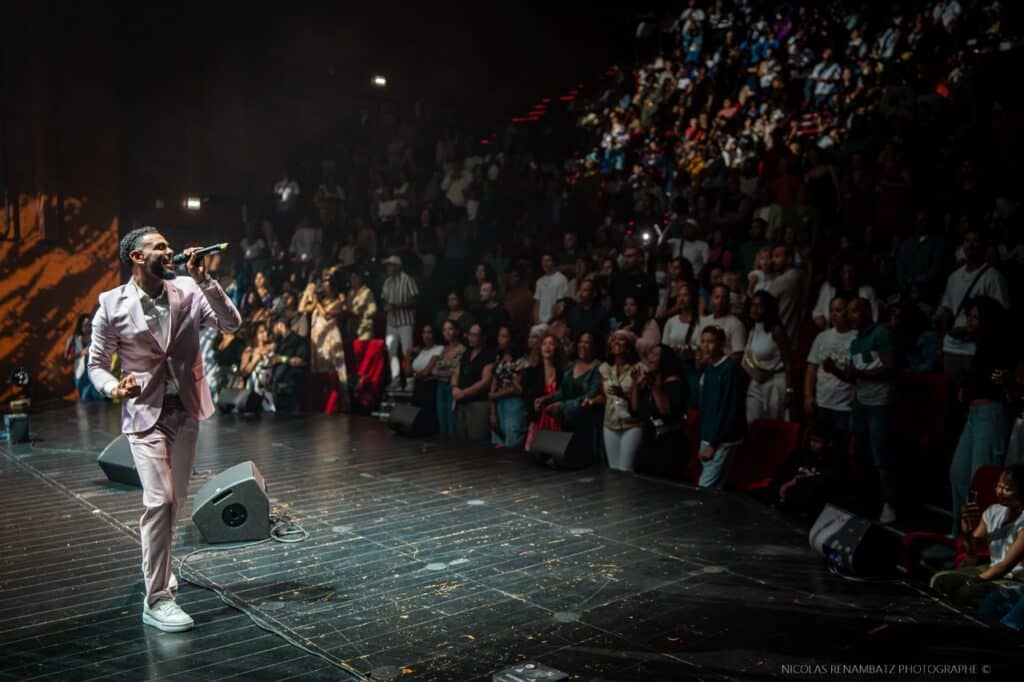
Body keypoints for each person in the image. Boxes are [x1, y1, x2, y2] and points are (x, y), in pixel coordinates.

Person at [87, 226, 242, 632]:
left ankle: (161, 568)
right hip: (144, 417)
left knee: (173, 504)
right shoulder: (111, 304)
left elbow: (232, 324)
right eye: (160, 247)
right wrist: (112, 385)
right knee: (158, 501)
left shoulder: (190, 290)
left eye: (169, 246)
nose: (169, 251)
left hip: (185, 412)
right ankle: (157, 599)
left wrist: (207, 281)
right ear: (137, 257)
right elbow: (96, 365)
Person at [824, 297, 897, 524]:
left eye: (853, 311)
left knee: (881, 457)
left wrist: (861, 375)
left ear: (866, 312)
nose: (848, 316)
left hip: (879, 404)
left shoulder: (880, 334)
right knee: (860, 454)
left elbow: (890, 367)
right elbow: (851, 377)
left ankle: (890, 504)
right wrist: (834, 370)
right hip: (861, 404)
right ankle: (866, 500)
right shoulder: (856, 342)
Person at [950, 297, 1013, 535]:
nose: (970, 321)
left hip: (990, 414)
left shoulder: (1001, 346)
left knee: (981, 479)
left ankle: (979, 538)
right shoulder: (980, 346)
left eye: (975, 316)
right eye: (969, 316)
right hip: (975, 415)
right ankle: (961, 534)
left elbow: (1006, 387)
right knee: (959, 473)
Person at [931, 466, 1024, 609]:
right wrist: (966, 528)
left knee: (967, 592)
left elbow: (1005, 566)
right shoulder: (993, 511)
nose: (1000, 492)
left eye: (1007, 489)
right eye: (999, 486)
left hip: (1015, 578)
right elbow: (972, 551)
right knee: (940, 580)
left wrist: (973, 581)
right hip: (992, 569)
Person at [936, 230, 1011, 390]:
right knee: (951, 398)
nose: (970, 245)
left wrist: (969, 331)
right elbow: (947, 310)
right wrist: (941, 342)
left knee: (973, 394)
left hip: (976, 349)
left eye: (975, 241)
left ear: (983, 245)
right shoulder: (954, 277)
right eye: (967, 241)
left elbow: (1001, 315)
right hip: (951, 347)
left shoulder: (993, 277)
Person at [804, 296, 857, 454]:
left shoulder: (856, 337)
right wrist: (808, 395)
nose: (834, 314)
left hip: (844, 406)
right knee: (819, 448)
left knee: (841, 450)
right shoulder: (822, 337)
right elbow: (812, 368)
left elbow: (858, 373)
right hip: (823, 402)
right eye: (832, 310)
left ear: (847, 312)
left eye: (838, 310)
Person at [696, 326, 747, 489]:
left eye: (710, 342)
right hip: (710, 433)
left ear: (721, 343)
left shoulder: (730, 369)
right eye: (703, 342)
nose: (705, 346)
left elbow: (728, 408)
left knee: (705, 485)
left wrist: (713, 443)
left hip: (722, 438)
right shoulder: (710, 367)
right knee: (715, 487)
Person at [763, 421, 844, 517]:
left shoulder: (835, 460)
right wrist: (785, 483)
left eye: (817, 442)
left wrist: (797, 480)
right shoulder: (802, 453)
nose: (812, 444)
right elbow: (783, 470)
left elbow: (827, 481)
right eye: (811, 440)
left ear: (829, 443)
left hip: (808, 502)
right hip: (787, 493)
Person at [544, 331, 603, 461]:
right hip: (567, 422)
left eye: (587, 342)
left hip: (585, 426)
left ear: (594, 346)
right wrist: (546, 399)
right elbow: (562, 391)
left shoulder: (598, 368)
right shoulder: (572, 365)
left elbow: (590, 395)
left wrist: (563, 405)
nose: (582, 345)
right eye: (581, 342)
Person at [633, 344, 687, 478]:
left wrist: (654, 387)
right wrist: (635, 384)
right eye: (650, 354)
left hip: (667, 444)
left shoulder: (673, 383)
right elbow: (635, 409)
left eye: (656, 355)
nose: (650, 358)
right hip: (649, 440)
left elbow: (665, 411)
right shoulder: (648, 383)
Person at [597, 330, 645, 472]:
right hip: (609, 423)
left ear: (629, 345)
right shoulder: (604, 369)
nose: (616, 342)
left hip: (631, 425)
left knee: (626, 469)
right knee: (613, 470)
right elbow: (604, 397)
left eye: (621, 339)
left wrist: (623, 394)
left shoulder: (639, 368)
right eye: (613, 339)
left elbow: (640, 404)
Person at [743, 291, 790, 422]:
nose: (754, 309)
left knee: (773, 424)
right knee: (752, 422)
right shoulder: (752, 329)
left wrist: (789, 390)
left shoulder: (776, 330)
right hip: (756, 381)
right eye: (753, 305)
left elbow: (787, 361)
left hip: (775, 382)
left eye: (759, 306)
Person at [307, 275, 349, 413]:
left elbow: (325, 313)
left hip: (331, 338)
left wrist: (317, 301)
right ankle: (323, 401)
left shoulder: (339, 300)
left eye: (327, 283)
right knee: (319, 371)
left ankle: (338, 402)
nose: (324, 285)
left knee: (333, 368)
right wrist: (310, 294)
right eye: (323, 282)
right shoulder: (319, 301)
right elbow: (302, 308)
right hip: (318, 339)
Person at [380, 255, 419, 390]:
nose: (388, 267)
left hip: (405, 321)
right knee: (391, 352)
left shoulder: (407, 279)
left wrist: (397, 306)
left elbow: (414, 300)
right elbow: (384, 299)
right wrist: (386, 306)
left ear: (397, 266)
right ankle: (395, 380)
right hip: (391, 322)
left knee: (406, 352)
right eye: (387, 265)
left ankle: (410, 381)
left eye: (390, 265)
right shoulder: (387, 282)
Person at [661, 280, 701, 409]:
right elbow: (664, 348)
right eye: (679, 296)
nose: (681, 299)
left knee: (692, 403)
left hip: (693, 368)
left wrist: (692, 351)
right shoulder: (671, 322)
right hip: (674, 369)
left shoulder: (702, 321)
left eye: (685, 295)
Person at [488, 324, 529, 449]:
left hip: (513, 404)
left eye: (504, 336)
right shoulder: (499, 358)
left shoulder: (521, 361)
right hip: (498, 403)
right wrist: (492, 412)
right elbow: (494, 384)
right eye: (499, 336)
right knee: (498, 442)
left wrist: (495, 395)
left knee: (512, 443)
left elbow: (517, 388)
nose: (499, 339)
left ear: (512, 339)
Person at [451, 324, 494, 441]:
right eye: (470, 334)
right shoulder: (466, 353)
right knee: (461, 437)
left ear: (483, 337)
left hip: (478, 402)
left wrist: (464, 392)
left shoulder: (488, 355)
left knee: (476, 439)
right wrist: (454, 387)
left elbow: (486, 381)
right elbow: (456, 372)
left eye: (475, 335)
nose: (471, 338)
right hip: (461, 402)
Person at [524, 333, 565, 452]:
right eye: (544, 344)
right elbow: (526, 396)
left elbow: (564, 394)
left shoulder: (562, 372)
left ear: (556, 349)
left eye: (551, 344)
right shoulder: (532, 371)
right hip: (538, 419)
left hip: (555, 419)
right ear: (540, 348)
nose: (547, 347)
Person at [811, 260, 879, 329]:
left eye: (851, 272)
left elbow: (874, 316)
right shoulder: (828, 288)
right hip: (833, 333)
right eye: (844, 272)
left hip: (859, 334)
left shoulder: (867, 290)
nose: (847, 276)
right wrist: (819, 317)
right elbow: (817, 311)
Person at [403, 323, 443, 435]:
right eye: (424, 332)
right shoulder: (420, 351)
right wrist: (408, 355)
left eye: (429, 332)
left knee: (427, 420)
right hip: (418, 387)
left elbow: (426, 372)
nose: (427, 335)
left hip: (430, 386)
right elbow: (407, 373)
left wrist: (416, 374)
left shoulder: (439, 349)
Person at [764, 244, 802, 349]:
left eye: (777, 256)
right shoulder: (796, 276)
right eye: (772, 257)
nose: (772, 260)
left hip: (779, 339)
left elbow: (763, 306)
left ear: (789, 259)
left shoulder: (785, 280)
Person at [696, 284, 747, 360]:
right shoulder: (704, 321)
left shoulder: (737, 325)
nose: (720, 301)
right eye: (717, 297)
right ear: (711, 300)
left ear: (728, 301)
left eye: (724, 298)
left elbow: (738, 355)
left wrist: (717, 363)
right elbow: (699, 348)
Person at [270, 315, 309, 415]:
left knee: (292, 418)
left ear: (280, 325)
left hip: (291, 384)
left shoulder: (298, 340)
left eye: (275, 326)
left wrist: (282, 359)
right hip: (278, 385)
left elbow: (302, 361)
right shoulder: (279, 342)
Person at [432, 320, 465, 440]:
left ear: (456, 331)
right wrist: (445, 371)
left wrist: (442, 372)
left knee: (452, 420)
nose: (447, 332)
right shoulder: (443, 349)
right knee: (442, 420)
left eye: (450, 329)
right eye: (444, 329)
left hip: (452, 386)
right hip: (440, 386)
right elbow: (434, 370)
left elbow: (456, 370)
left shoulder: (462, 349)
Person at [239, 321, 276, 412]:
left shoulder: (272, 347)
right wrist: (255, 359)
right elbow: (243, 372)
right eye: (261, 332)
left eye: (265, 331)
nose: (265, 334)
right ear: (255, 334)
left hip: (269, 387)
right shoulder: (249, 350)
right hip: (253, 387)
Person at [65, 314, 103, 401]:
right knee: (86, 399)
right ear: (80, 326)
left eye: (89, 325)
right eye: (85, 325)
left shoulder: (96, 338)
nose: (88, 327)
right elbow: (68, 358)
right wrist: (81, 353)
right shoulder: (74, 340)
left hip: (96, 374)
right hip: (81, 375)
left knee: (99, 399)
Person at [533, 252, 569, 324]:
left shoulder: (561, 279)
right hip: (540, 322)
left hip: (555, 321)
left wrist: (550, 320)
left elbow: (561, 303)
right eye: (543, 261)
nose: (545, 263)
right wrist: (536, 320)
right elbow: (537, 303)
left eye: (548, 260)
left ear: (554, 262)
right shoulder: (539, 281)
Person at [342, 269, 377, 341]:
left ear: (360, 278)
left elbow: (373, 310)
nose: (352, 280)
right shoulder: (350, 293)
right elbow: (348, 308)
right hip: (352, 328)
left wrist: (362, 313)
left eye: (355, 278)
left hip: (364, 327)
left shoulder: (367, 292)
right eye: (351, 278)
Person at [475, 280, 510, 347]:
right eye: (481, 290)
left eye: (484, 290)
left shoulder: (501, 311)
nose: (481, 293)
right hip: (481, 346)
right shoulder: (479, 310)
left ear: (493, 293)